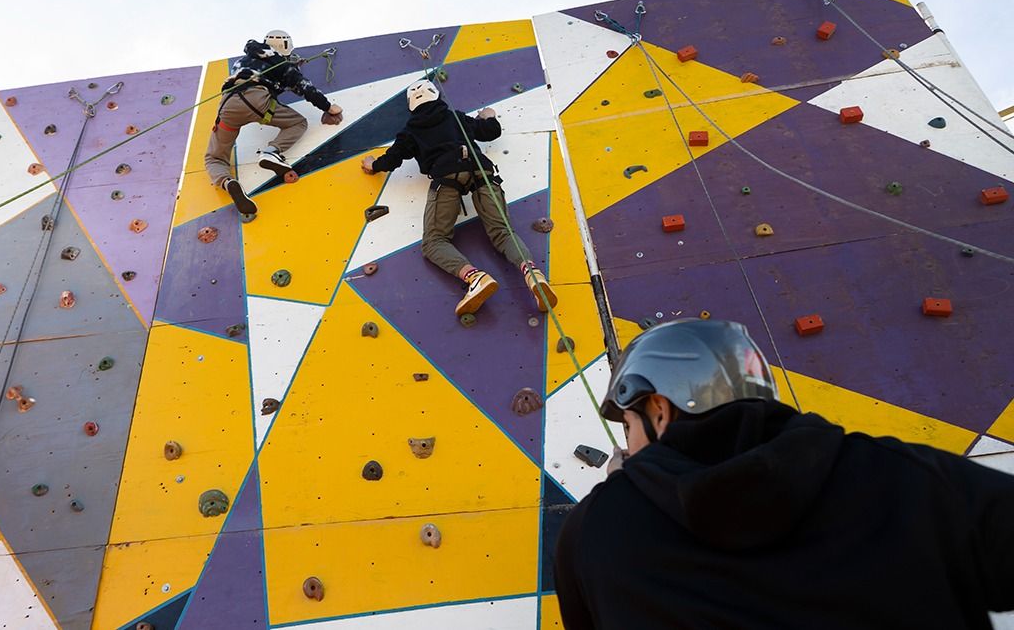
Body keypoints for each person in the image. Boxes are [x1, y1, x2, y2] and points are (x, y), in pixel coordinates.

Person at [554, 318, 1014, 629]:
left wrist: (617, 498)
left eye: (630, 426)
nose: (627, 449)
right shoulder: (905, 477)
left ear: (660, 411)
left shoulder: (591, 534)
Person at [361, 79, 556, 316]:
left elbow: (393, 159)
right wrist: (489, 115)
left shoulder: (410, 131)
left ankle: (475, 278)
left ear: (411, 106)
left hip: (447, 178)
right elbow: (490, 132)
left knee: (434, 243)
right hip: (482, 171)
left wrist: (373, 165)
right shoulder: (455, 117)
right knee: (504, 232)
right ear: (437, 97)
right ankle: (532, 273)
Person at [205, 30, 344, 215]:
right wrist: (328, 107)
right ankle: (271, 153)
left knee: (214, 157)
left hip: (228, 106)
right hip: (258, 101)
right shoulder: (279, 61)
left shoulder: (241, 61)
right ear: (283, 48)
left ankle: (227, 182)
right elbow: (304, 88)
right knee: (298, 123)